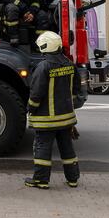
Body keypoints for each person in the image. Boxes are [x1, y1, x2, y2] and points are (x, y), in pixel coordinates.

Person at [25, 31, 82, 190]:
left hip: (46, 119)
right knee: (67, 148)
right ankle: (73, 179)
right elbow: (76, 89)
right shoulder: (69, 64)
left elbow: (36, 93)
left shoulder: (43, 66)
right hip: (66, 118)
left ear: (45, 46)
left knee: (42, 148)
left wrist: (30, 109)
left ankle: (41, 181)